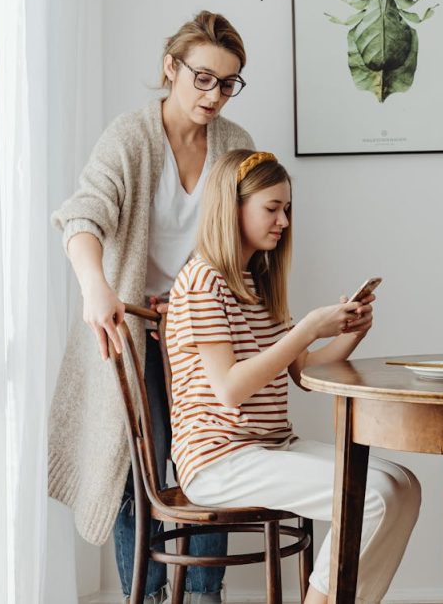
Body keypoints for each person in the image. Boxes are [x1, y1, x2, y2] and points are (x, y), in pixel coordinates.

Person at [49, 10, 255, 604]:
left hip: (204, 334)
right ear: (171, 68)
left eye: (228, 82)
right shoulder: (130, 139)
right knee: (134, 471)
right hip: (131, 330)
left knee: (211, 464)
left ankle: (202, 595)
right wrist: (96, 286)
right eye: (202, 78)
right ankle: (149, 591)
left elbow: (251, 242)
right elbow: (83, 215)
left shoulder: (235, 146)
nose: (213, 95)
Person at [167, 149, 421, 604]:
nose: (283, 221)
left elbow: (303, 373)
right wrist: (306, 328)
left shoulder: (258, 282)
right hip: (217, 460)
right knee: (375, 495)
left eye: (286, 209)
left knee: (403, 485)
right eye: (272, 208)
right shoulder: (202, 282)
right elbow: (230, 388)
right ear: (233, 207)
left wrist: (349, 332)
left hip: (268, 445)